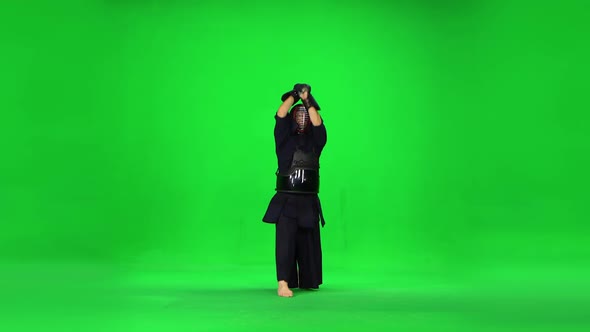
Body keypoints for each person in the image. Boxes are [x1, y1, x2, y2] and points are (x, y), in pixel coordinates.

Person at [262, 83, 327, 298]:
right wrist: (294, 95)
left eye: (305, 115)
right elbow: (281, 114)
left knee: (308, 244)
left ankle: (307, 279)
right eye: (297, 115)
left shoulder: (315, 142)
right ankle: (283, 283)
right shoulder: (284, 140)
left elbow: (318, 124)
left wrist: (307, 100)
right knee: (285, 243)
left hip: (308, 200)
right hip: (287, 200)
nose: (302, 118)